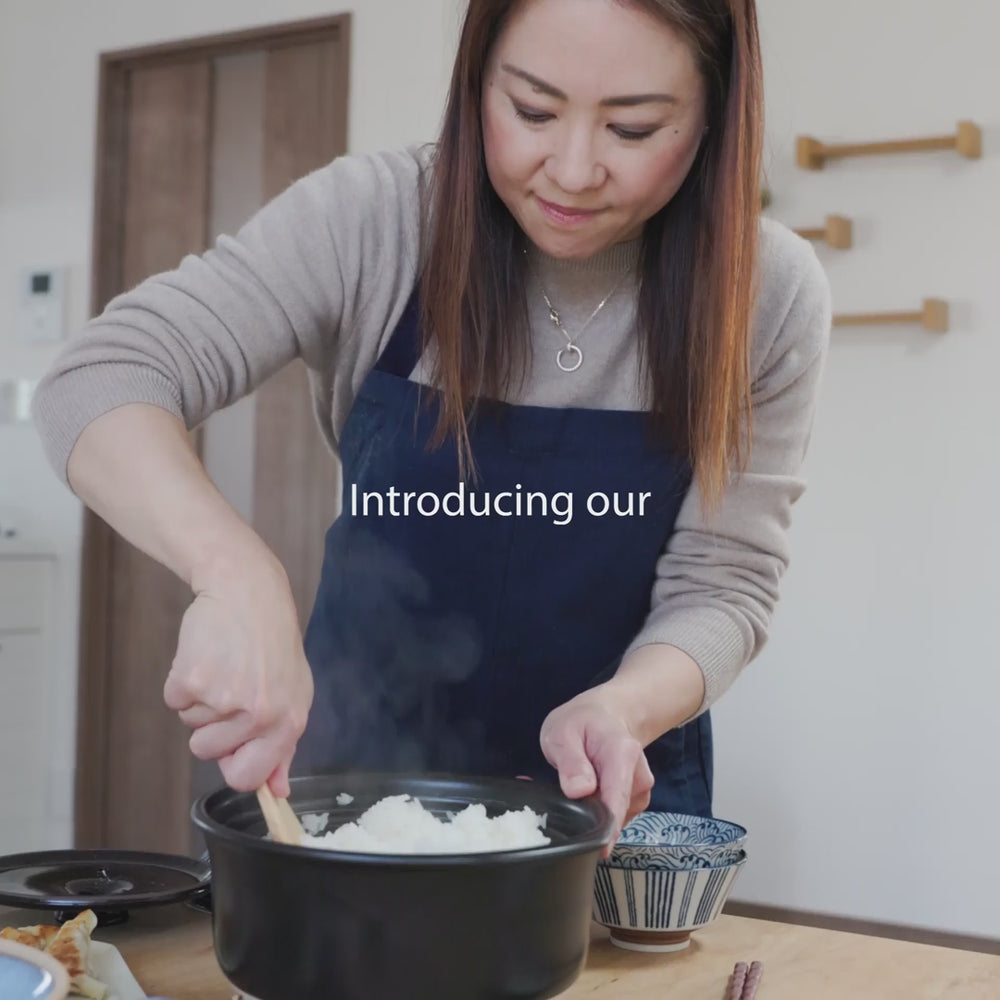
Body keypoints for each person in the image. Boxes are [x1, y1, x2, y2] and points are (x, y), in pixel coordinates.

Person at [32, 0, 830, 843]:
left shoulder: (763, 293)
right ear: (476, 82)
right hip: (351, 797)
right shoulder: (378, 222)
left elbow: (725, 584)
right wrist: (234, 571)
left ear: (714, 115)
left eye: (632, 129)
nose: (571, 167)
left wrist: (627, 707)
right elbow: (100, 377)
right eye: (531, 111)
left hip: (608, 805)